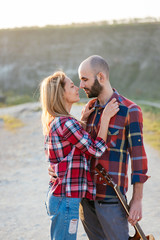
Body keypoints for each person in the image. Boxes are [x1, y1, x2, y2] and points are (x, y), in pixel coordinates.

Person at [49, 56, 149, 240]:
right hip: (85, 200)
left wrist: (137, 199)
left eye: (85, 79)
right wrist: (57, 169)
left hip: (111, 199)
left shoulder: (130, 110)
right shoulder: (90, 109)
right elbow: (77, 148)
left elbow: (138, 158)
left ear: (101, 77)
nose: (81, 85)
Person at [40, 71, 119, 240]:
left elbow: (71, 149)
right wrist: (105, 118)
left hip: (60, 196)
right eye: (71, 86)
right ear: (61, 94)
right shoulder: (67, 123)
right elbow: (95, 149)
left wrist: (83, 118)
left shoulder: (58, 121)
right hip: (66, 199)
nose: (78, 87)